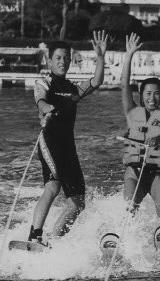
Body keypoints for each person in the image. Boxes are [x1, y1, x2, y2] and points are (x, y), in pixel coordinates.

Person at [28, 31, 108, 245]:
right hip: (49, 141)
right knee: (52, 187)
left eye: (66, 58)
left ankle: (53, 241)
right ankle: (35, 235)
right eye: (58, 58)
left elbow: (96, 81)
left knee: (78, 201)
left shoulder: (73, 90)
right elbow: (40, 99)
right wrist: (46, 108)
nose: (63, 62)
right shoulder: (44, 82)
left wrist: (100, 57)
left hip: (68, 148)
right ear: (49, 60)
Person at [120, 33, 160, 231]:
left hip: (156, 173)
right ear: (141, 96)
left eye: (156, 93)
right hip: (133, 172)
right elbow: (124, 85)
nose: (152, 97)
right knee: (129, 210)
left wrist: (156, 137)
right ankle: (125, 242)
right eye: (148, 93)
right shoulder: (131, 111)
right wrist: (129, 56)